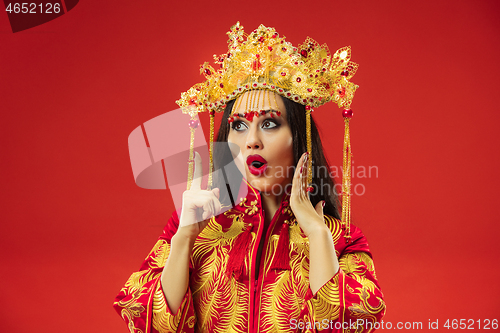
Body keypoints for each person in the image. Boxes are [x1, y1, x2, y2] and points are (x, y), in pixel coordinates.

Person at [114, 23, 385, 333]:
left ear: (298, 137)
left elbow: (347, 325)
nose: (251, 141)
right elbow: (150, 323)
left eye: (269, 124)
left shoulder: (341, 239)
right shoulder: (197, 227)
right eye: (239, 126)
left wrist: (317, 235)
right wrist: (183, 240)